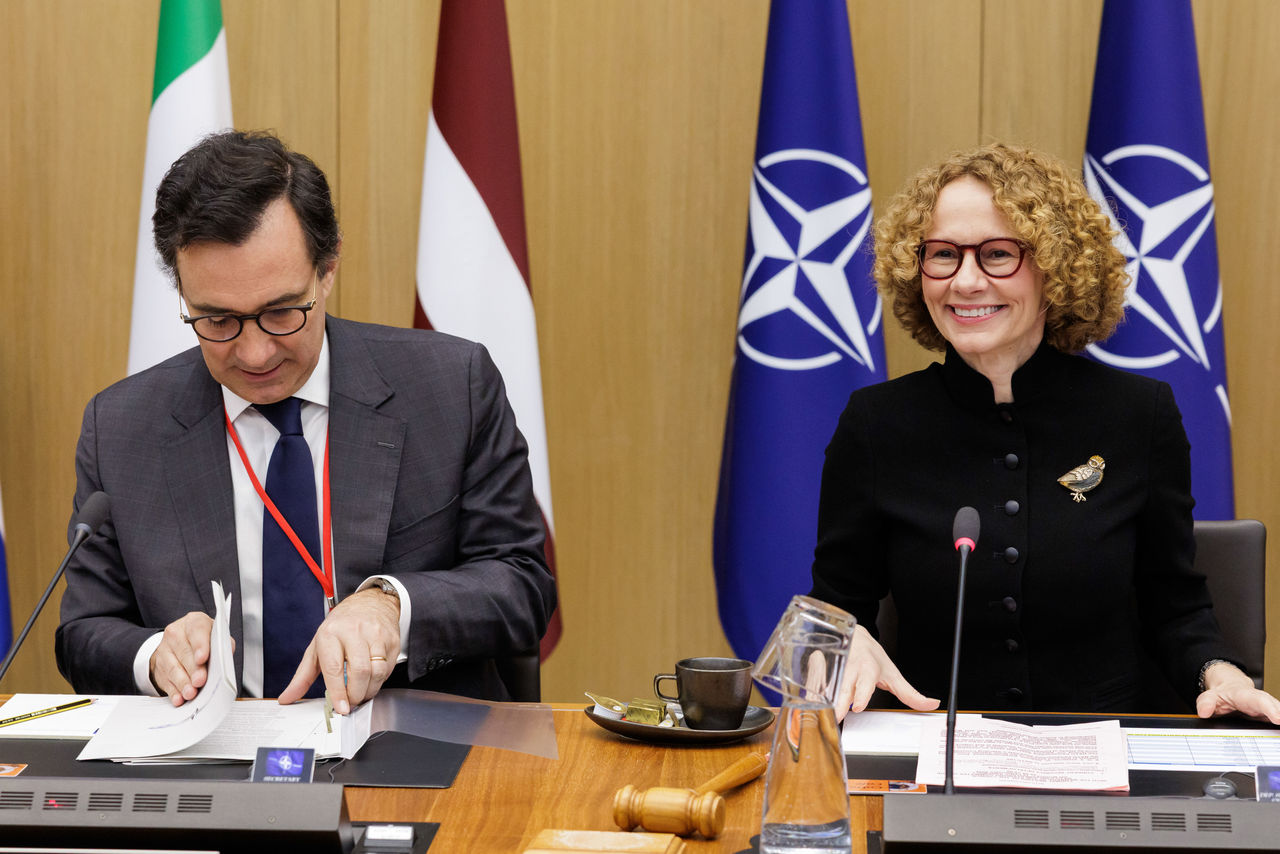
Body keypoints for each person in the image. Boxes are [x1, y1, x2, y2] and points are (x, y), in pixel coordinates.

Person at [56, 130, 556, 713]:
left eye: (280, 312)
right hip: (216, 764)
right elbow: (84, 630)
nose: (255, 354)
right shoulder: (120, 428)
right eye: (217, 320)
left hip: (412, 751)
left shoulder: (450, 388)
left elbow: (522, 584)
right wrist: (153, 654)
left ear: (327, 270)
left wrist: (394, 604)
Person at [810, 142, 1280, 724]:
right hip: (934, 756)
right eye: (943, 255)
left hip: (1104, 759)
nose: (966, 281)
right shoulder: (876, 424)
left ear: (1056, 268)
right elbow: (838, 605)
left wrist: (1220, 675)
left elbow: (1174, 607)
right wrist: (843, 637)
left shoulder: (1139, 415)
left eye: (999, 255)